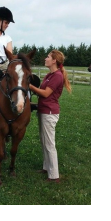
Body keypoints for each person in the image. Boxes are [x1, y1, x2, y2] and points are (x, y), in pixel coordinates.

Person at [29, 50, 72, 183]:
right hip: (43, 111)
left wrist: (29, 86)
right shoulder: (50, 74)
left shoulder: (57, 76)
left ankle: (54, 176)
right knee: (44, 142)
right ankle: (47, 167)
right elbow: (42, 92)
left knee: (49, 144)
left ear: (54, 61)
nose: (45, 58)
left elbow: (46, 93)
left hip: (49, 113)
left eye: (48, 57)